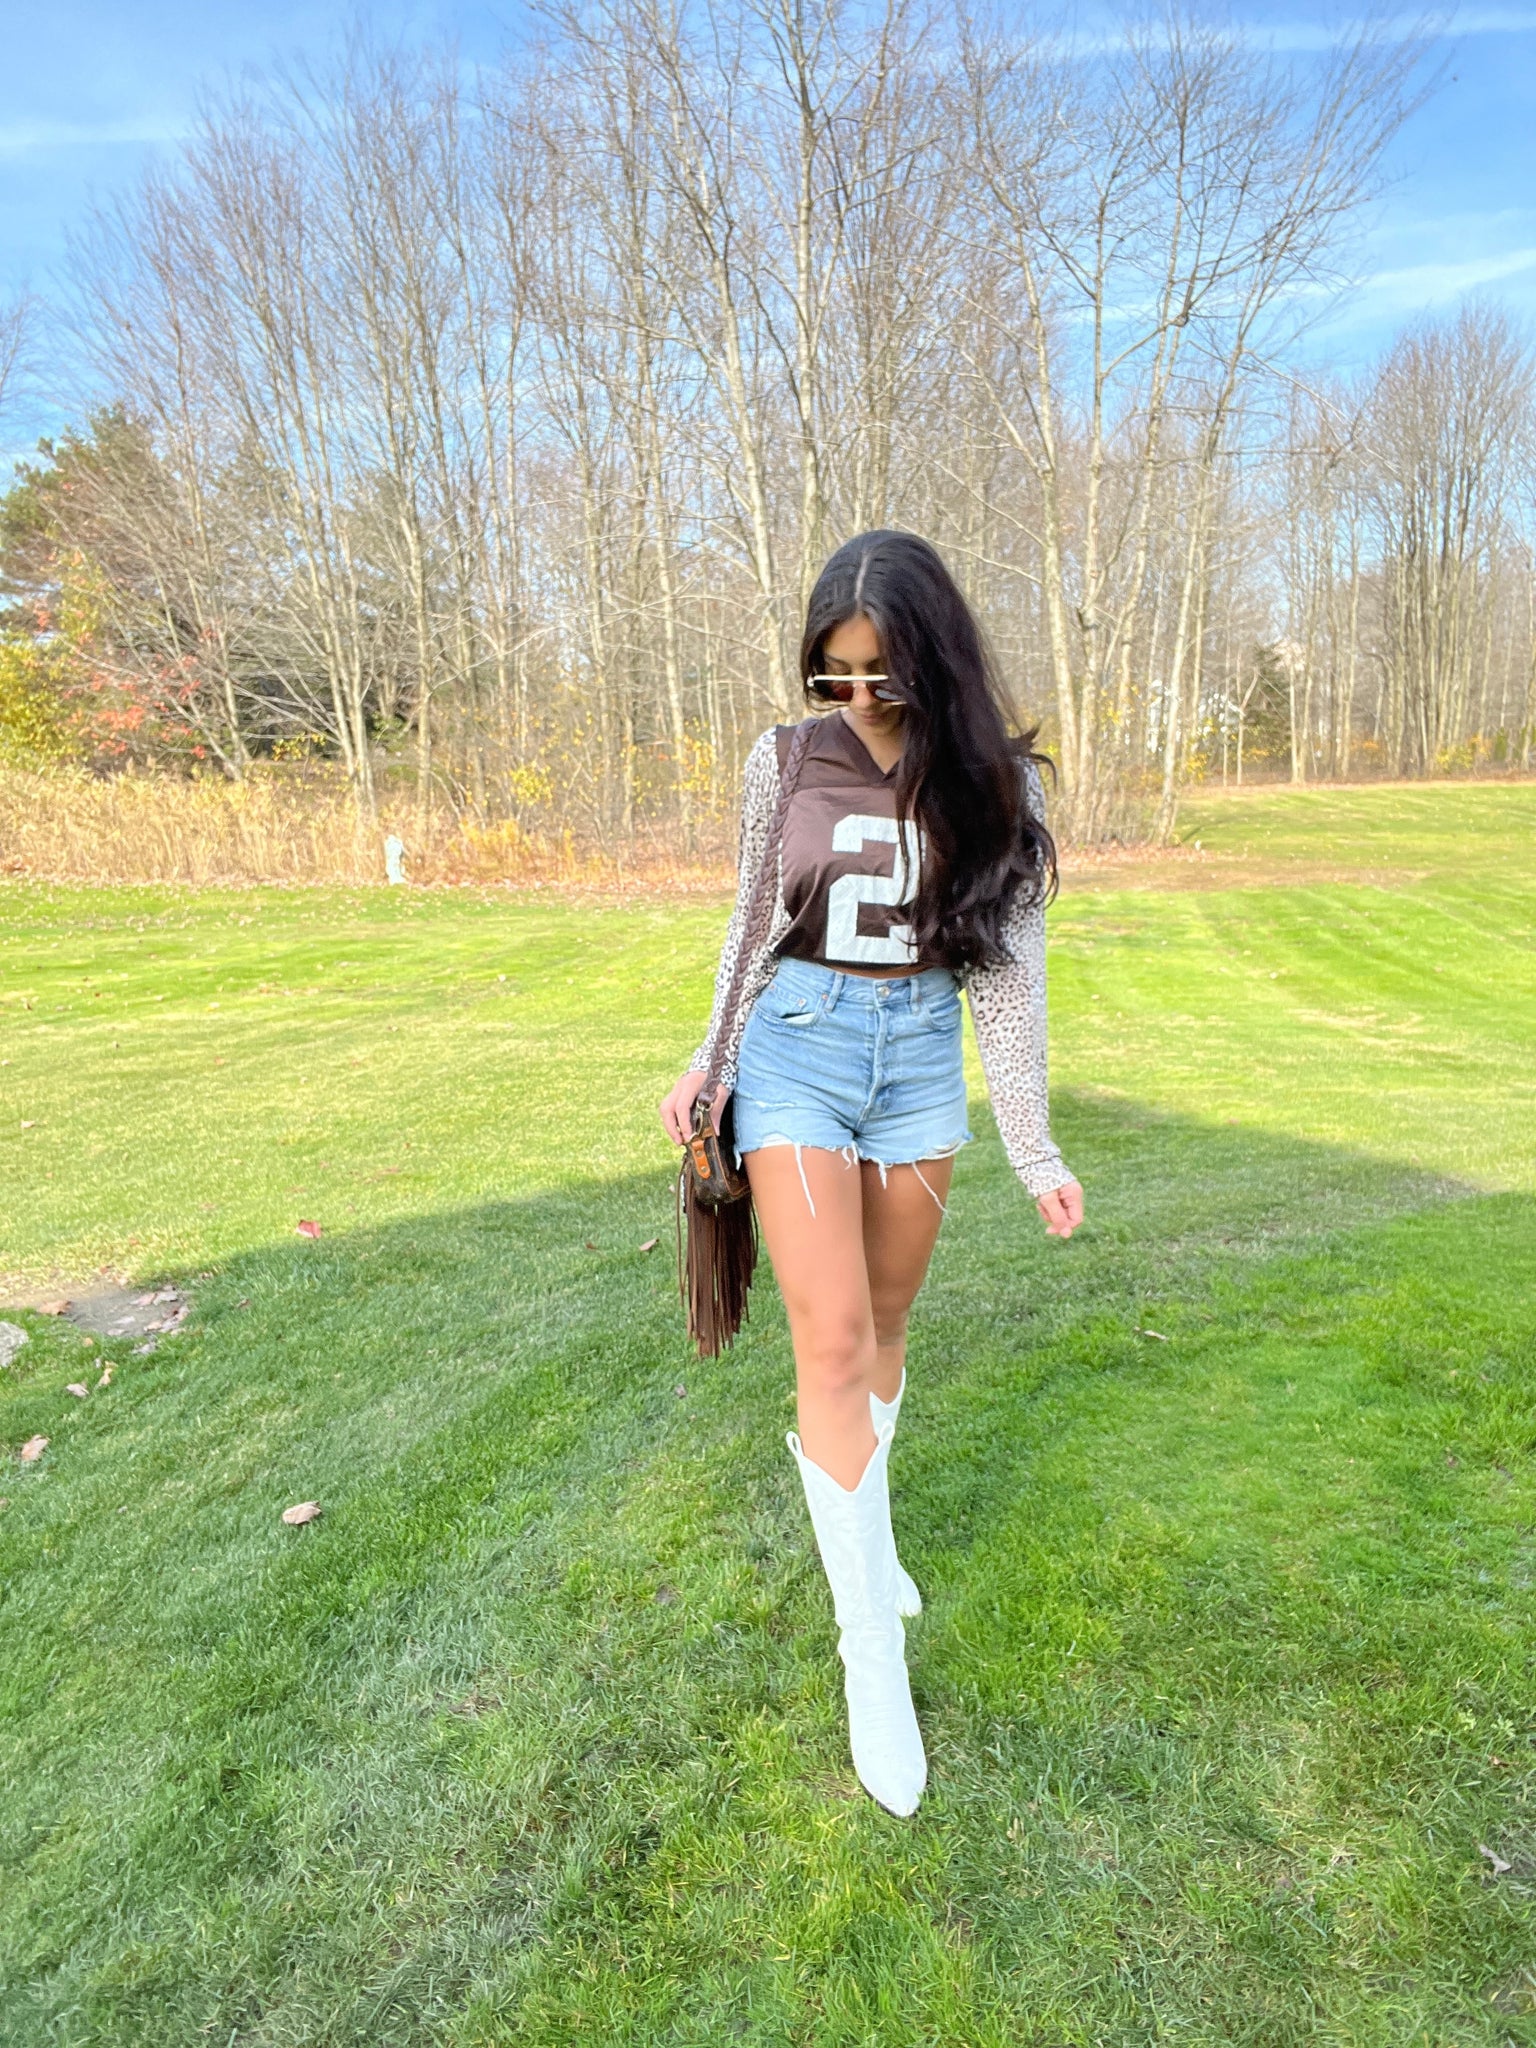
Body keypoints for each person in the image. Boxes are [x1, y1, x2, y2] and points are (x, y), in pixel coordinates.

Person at [659, 530, 1084, 1817]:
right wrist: (711, 1057)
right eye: (830, 673)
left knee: (888, 1322)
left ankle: (872, 1547)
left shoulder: (994, 780)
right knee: (834, 1336)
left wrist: (1033, 1143)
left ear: (932, 660)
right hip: (797, 1045)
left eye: (878, 675)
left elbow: (1008, 979)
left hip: (917, 1064)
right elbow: (751, 922)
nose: (853, 696)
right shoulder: (782, 760)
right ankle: (871, 1655)